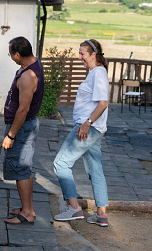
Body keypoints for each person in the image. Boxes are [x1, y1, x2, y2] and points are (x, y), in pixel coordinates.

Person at [53, 39, 110, 227]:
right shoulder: (95, 73)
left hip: (88, 129)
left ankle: (74, 208)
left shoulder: (98, 74)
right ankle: (101, 215)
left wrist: (87, 123)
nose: (80, 58)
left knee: (61, 163)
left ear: (93, 54)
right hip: (93, 129)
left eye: (82, 54)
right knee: (95, 170)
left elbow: (103, 104)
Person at [2, 36, 44, 225]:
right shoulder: (32, 65)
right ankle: (27, 207)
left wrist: (11, 135)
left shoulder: (28, 76)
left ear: (18, 55)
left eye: (11, 54)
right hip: (25, 126)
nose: (10, 57)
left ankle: (27, 213)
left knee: (21, 169)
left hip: (23, 128)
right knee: (22, 168)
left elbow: (23, 109)